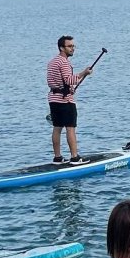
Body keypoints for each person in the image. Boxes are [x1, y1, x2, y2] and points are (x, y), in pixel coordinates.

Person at [47, 35, 94, 164]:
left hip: (53, 98)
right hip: (65, 101)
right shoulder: (64, 62)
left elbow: (54, 82)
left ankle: (57, 158)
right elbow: (69, 80)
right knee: (70, 128)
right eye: (69, 46)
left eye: (73, 46)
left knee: (57, 128)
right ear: (62, 48)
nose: (72, 48)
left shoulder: (52, 62)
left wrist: (68, 89)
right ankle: (74, 157)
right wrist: (84, 73)